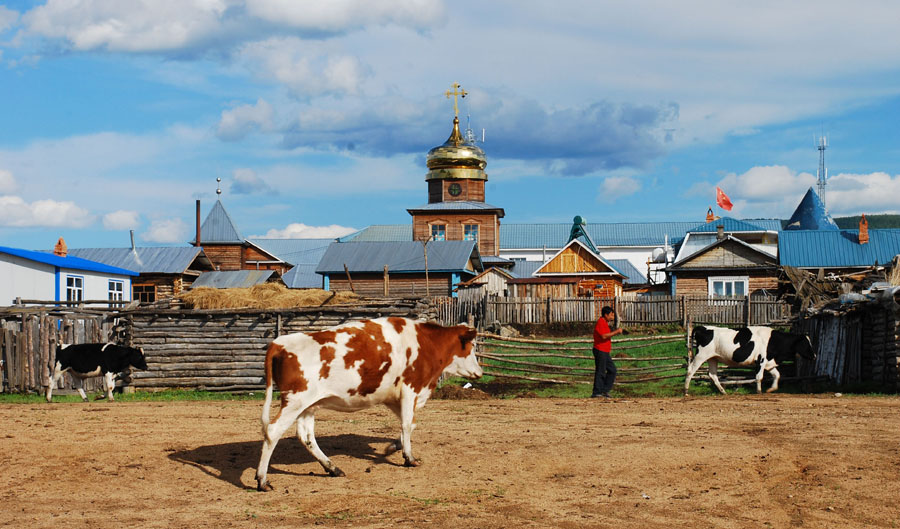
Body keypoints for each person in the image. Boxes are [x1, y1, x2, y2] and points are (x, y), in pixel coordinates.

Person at [591, 306, 624, 398]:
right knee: (601, 371)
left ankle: (604, 390)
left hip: (604, 350)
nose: (613, 316)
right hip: (600, 349)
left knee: (612, 370)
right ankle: (597, 392)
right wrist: (616, 332)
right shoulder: (600, 322)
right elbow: (603, 336)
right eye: (611, 314)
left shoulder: (605, 323)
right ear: (606, 315)